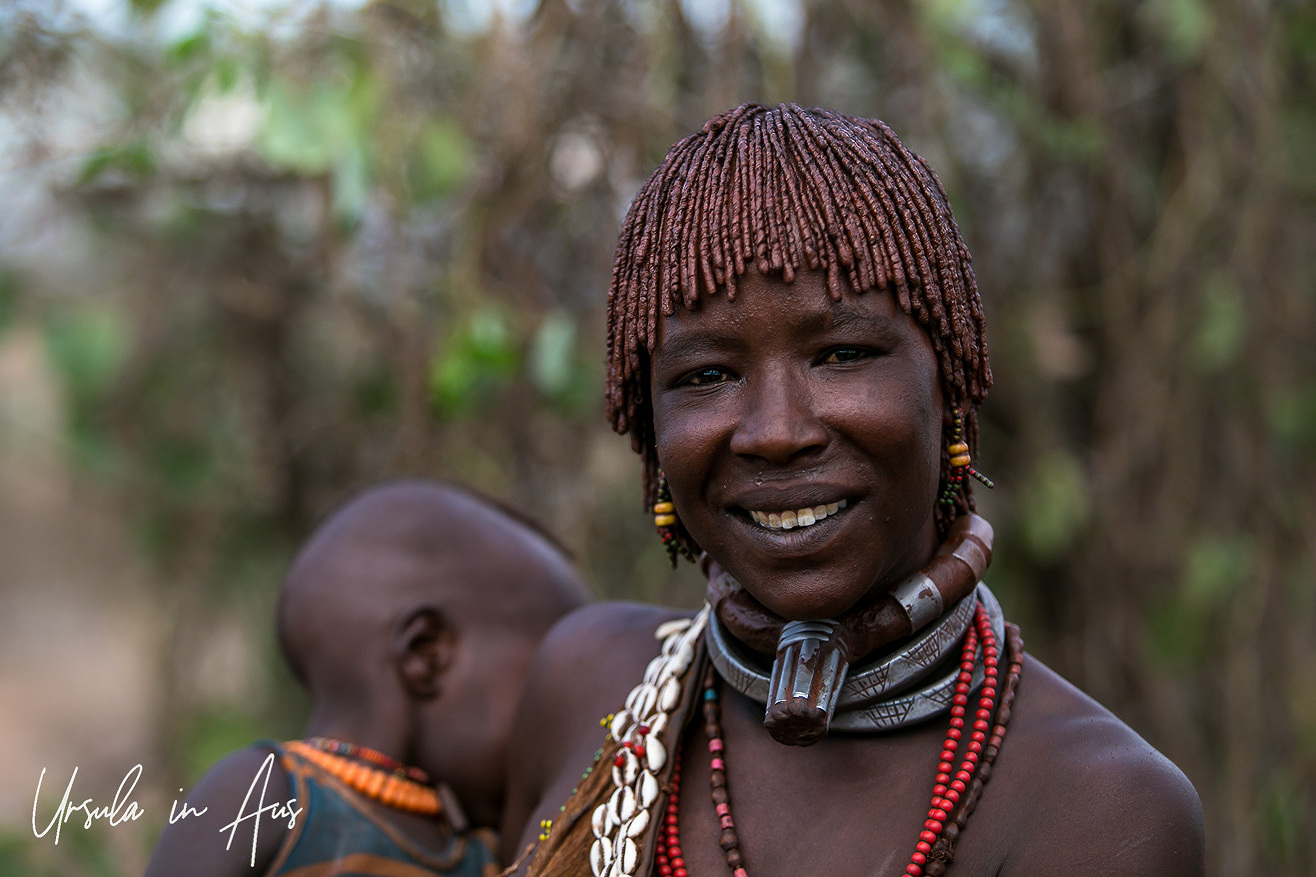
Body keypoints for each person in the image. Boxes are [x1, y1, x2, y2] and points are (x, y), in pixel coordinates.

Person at [500, 103, 1204, 877]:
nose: (775, 431)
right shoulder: (585, 683)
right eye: (707, 375)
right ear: (648, 426)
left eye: (841, 354)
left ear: (950, 385)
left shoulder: (1100, 809)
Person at [145, 480, 591, 877]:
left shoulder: (491, 855)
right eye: (543, 672)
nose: (558, 710)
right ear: (427, 655)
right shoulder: (263, 793)